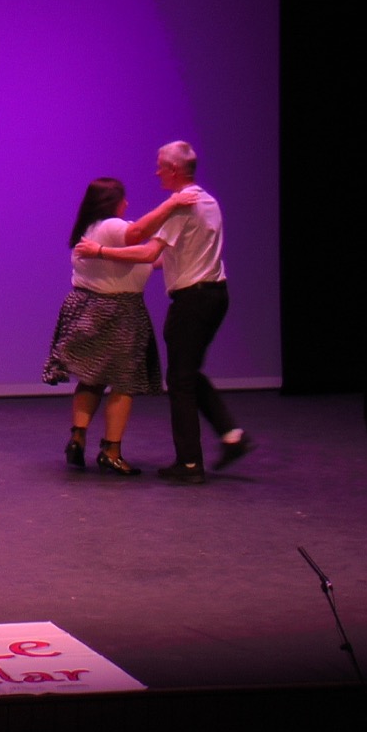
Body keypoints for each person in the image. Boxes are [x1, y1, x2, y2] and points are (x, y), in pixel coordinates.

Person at [75, 141, 251, 483]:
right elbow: (167, 257)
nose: (156, 172)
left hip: (192, 301)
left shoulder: (181, 207)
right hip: (216, 295)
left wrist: (99, 252)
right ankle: (232, 436)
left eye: (160, 166)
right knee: (189, 371)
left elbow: (145, 251)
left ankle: (190, 463)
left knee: (180, 381)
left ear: (173, 169)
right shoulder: (209, 202)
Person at [44, 177, 160, 476]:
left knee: (92, 378)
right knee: (123, 382)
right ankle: (111, 450)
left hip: (87, 307)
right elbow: (140, 239)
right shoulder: (113, 227)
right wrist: (168, 217)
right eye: (124, 199)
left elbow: (140, 259)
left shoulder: (89, 229)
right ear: (113, 202)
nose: (128, 204)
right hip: (118, 311)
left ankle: (78, 435)